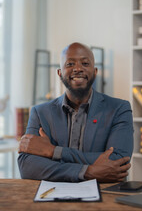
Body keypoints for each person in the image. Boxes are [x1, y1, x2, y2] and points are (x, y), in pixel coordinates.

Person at [18, 42, 133, 182]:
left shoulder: (119, 108)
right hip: (52, 196)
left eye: (85, 63)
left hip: (106, 196)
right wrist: (88, 172)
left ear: (95, 72)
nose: (78, 68)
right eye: (70, 64)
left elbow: (118, 160)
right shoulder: (40, 112)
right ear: (59, 73)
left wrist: (53, 151)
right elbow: (27, 165)